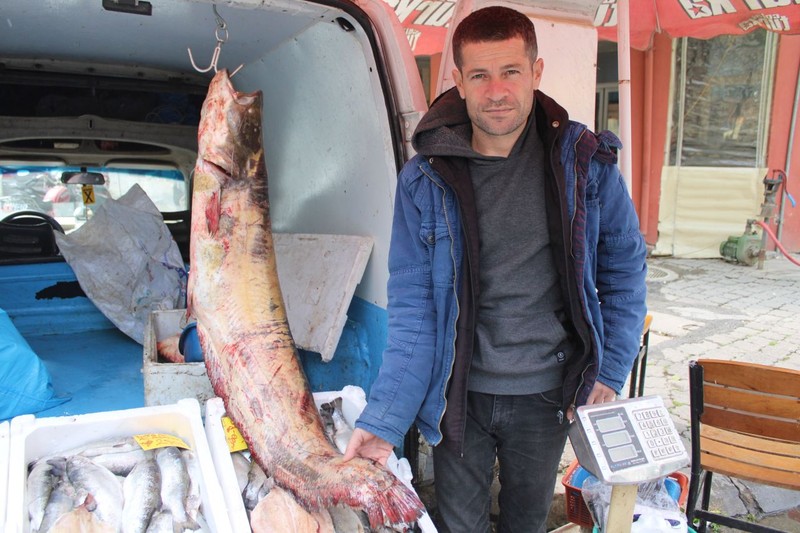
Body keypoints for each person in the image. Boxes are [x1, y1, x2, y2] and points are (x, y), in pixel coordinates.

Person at [344, 6, 647, 532]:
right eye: (480, 75)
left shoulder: (586, 165)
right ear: (458, 81)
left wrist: (612, 366)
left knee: (527, 520)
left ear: (536, 72)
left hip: (549, 392)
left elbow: (624, 273)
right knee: (460, 524)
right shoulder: (424, 180)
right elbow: (414, 310)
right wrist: (385, 421)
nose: (497, 91)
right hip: (459, 392)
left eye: (511, 71)